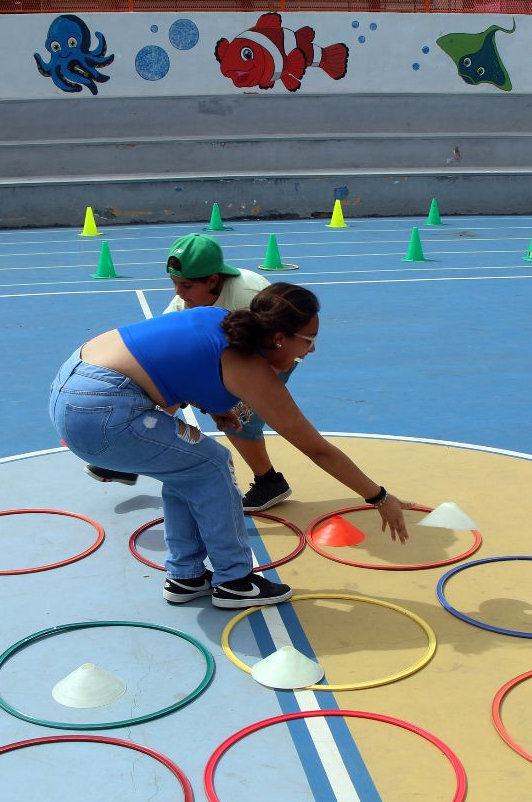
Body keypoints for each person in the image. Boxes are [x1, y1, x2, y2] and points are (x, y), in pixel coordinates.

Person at [50, 281, 410, 609]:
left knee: (186, 468)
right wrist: (379, 496)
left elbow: (176, 363)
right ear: (279, 337)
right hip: (102, 409)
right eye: (308, 339)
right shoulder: (248, 366)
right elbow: (316, 449)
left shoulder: (219, 320)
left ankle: (187, 576)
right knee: (212, 463)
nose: (312, 349)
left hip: (71, 389)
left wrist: (214, 407)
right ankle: (235, 581)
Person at [86, 234, 297, 510]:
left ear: (213, 280)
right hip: (228, 352)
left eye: (186, 285)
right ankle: (130, 457)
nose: (178, 292)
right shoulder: (184, 303)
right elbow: (164, 349)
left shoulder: (249, 297)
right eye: (174, 283)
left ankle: (269, 482)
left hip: (272, 354)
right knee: (165, 383)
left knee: (239, 420)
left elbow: (284, 343)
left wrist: (251, 387)